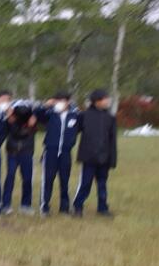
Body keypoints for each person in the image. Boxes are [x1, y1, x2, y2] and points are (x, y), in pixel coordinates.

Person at [73, 89, 117, 217]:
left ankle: (102, 208)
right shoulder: (84, 115)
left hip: (104, 157)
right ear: (97, 101)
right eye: (105, 98)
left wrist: (112, 159)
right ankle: (78, 207)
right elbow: (74, 131)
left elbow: (112, 140)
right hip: (88, 157)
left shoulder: (110, 117)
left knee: (102, 184)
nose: (108, 101)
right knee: (85, 183)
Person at [35, 91, 80, 216]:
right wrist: (46, 105)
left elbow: (80, 126)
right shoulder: (50, 114)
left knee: (65, 180)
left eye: (63, 101)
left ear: (68, 102)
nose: (60, 103)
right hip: (51, 151)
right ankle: (44, 207)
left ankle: (64, 207)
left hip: (66, 152)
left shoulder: (74, 115)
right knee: (48, 180)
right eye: (57, 101)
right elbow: (37, 114)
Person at [1, 100, 37, 215]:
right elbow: (14, 133)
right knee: (10, 177)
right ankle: (5, 204)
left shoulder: (32, 119)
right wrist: (10, 119)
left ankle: (26, 205)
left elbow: (27, 133)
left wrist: (31, 123)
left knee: (27, 178)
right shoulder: (10, 120)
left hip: (27, 151)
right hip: (12, 152)